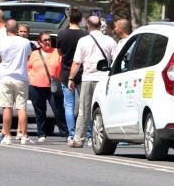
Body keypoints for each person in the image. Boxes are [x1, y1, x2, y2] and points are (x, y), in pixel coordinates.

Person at [0, 19, 32, 145]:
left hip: (6, 77)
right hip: (21, 78)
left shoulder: (2, 42)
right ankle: (24, 135)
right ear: (16, 30)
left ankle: (7, 135)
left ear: (7, 29)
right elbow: (28, 57)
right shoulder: (26, 42)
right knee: (22, 107)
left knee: (7, 108)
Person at [68, 14, 115, 148]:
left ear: (88, 26)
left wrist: (71, 78)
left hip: (87, 79)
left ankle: (78, 139)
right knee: (104, 109)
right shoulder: (110, 41)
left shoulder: (83, 41)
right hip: (104, 80)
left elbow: (77, 63)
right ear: (100, 26)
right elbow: (116, 60)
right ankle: (105, 138)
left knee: (84, 110)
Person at [27, 33, 66, 142]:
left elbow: (61, 66)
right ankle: (41, 134)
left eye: (49, 40)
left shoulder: (56, 52)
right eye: (45, 40)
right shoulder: (34, 53)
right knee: (40, 111)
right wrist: (31, 77)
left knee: (58, 110)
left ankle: (65, 132)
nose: (48, 42)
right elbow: (29, 67)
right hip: (36, 86)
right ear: (39, 42)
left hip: (52, 86)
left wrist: (58, 79)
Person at [57, 8, 87, 144]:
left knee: (69, 105)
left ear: (69, 19)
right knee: (85, 104)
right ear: (80, 20)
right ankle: (88, 133)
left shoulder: (62, 34)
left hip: (65, 73)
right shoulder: (85, 35)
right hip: (82, 72)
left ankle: (71, 133)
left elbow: (60, 53)